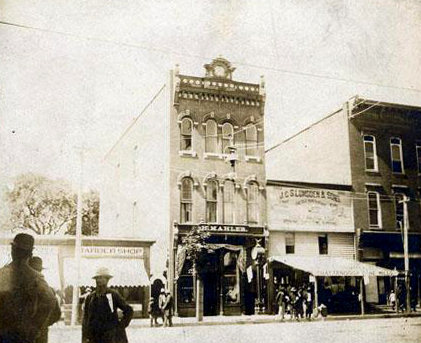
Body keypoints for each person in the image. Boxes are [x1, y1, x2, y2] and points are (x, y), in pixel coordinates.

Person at [0, 233, 58, 343]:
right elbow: (50, 301)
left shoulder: (2, 274)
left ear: (13, 250)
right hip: (24, 334)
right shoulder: (36, 277)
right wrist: (35, 326)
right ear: (30, 254)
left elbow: (50, 301)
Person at [82, 267, 133, 343]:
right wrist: (85, 337)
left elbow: (128, 310)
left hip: (110, 337)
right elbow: (86, 318)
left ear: (107, 280)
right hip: (94, 337)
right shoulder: (90, 297)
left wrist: (120, 326)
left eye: (101, 278)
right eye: (97, 278)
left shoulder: (113, 294)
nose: (98, 280)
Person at [28, 256, 62, 343]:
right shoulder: (49, 290)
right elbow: (56, 314)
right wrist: (43, 324)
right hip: (41, 334)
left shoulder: (18, 289)